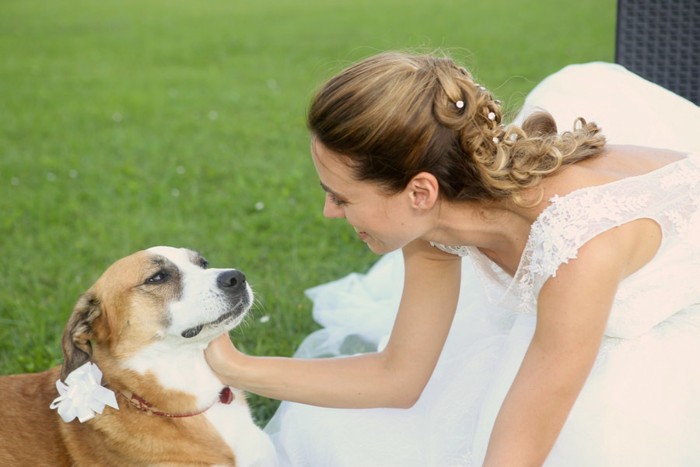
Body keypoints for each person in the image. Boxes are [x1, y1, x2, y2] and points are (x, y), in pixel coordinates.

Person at [205, 51, 700, 466]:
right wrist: (233, 366)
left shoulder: (580, 247)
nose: (329, 212)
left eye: (342, 197)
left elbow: (518, 452)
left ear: (420, 191)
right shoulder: (434, 225)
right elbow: (397, 378)